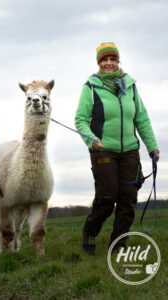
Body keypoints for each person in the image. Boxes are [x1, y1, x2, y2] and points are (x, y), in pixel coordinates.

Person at [75, 42, 159, 255]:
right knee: (107, 197)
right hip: (102, 150)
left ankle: (118, 245)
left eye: (113, 59)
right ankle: (90, 234)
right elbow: (81, 120)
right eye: (105, 60)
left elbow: (142, 118)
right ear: (99, 63)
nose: (109, 63)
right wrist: (92, 140)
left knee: (129, 198)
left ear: (118, 61)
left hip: (130, 150)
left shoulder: (130, 86)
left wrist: (152, 147)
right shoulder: (91, 87)